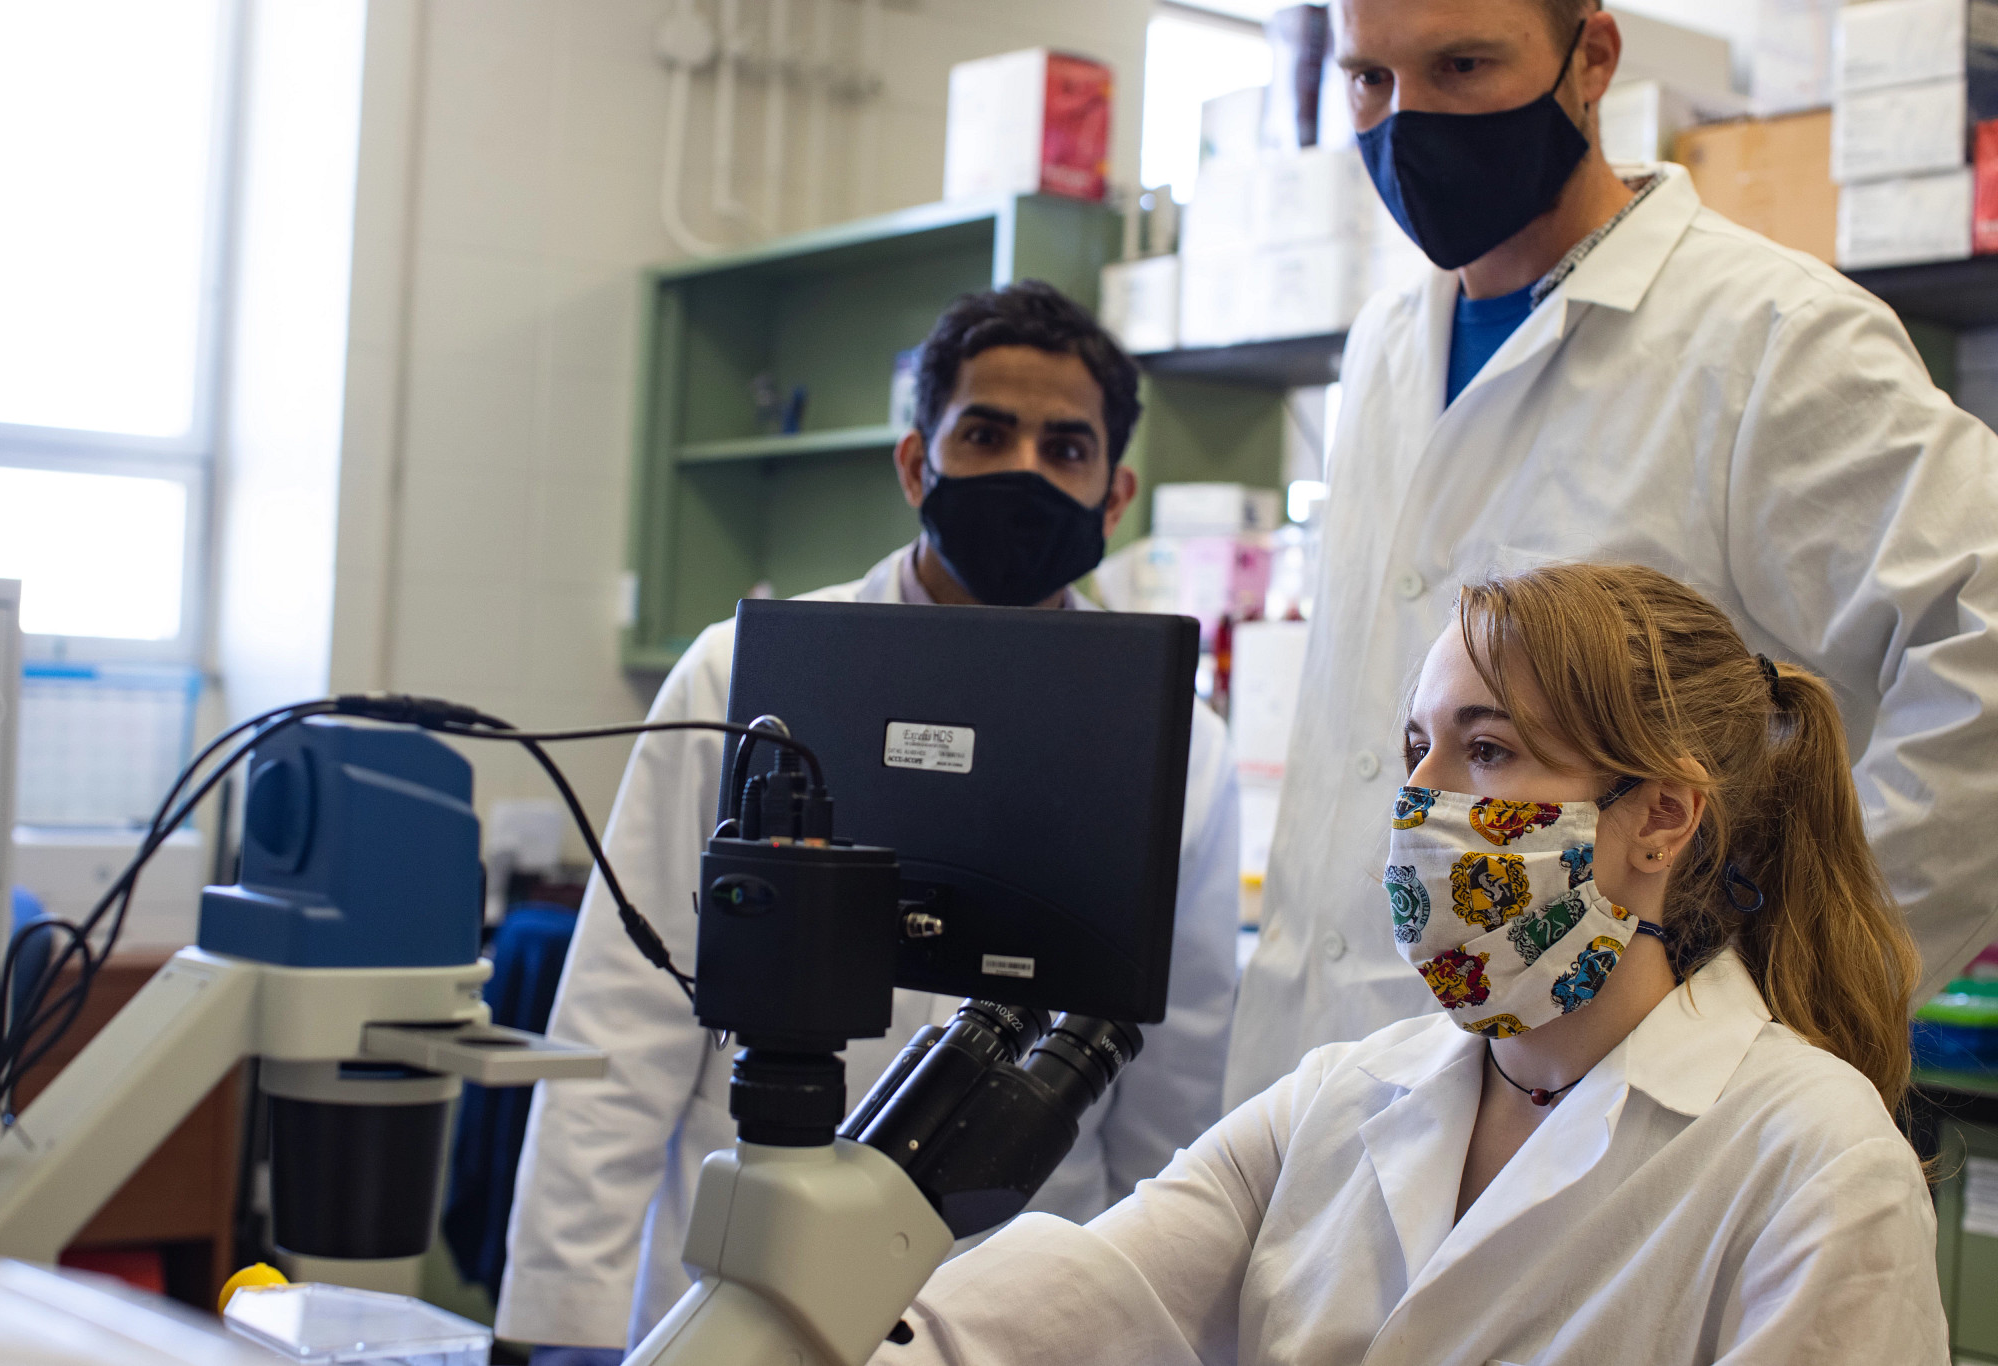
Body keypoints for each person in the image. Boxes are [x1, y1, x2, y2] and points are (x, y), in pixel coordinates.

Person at [877, 562, 1948, 1365]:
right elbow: (1078, 1296)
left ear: (1659, 816)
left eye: (1483, 751)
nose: (1416, 799)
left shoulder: (1814, 1158)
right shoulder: (1336, 1098)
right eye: (1414, 750)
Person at [1231, 0, 1998, 1107]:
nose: (1407, 123)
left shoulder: (1767, 337)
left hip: (1625, 1103)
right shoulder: (1385, 340)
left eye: (1461, 65)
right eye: (1369, 81)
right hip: (1335, 1081)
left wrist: (1793, 983)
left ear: (1589, 59)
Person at [497, 282, 1242, 1362]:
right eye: (985, 434)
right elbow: (623, 1022)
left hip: (1022, 1300)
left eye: (1063, 446)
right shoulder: (741, 672)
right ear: (914, 463)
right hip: (742, 1278)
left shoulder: (1180, 737)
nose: (1023, 470)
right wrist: (559, 1324)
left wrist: (1150, 1324)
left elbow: (1175, 1089)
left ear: (1113, 492)